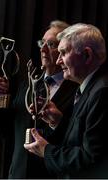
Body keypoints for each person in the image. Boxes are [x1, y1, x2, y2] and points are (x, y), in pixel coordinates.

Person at [0, 20, 78, 178]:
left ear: (65, 49)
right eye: (41, 43)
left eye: (50, 44)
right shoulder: (26, 85)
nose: (43, 49)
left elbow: (74, 143)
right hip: (17, 175)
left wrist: (57, 122)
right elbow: (6, 132)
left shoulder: (76, 91)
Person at [24, 23, 108, 179]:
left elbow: (90, 158)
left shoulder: (102, 92)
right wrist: (58, 122)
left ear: (87, 55)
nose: (58, 61)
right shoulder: (88, 87)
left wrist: (46, 151)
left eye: (63, 53)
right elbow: (79, 141)